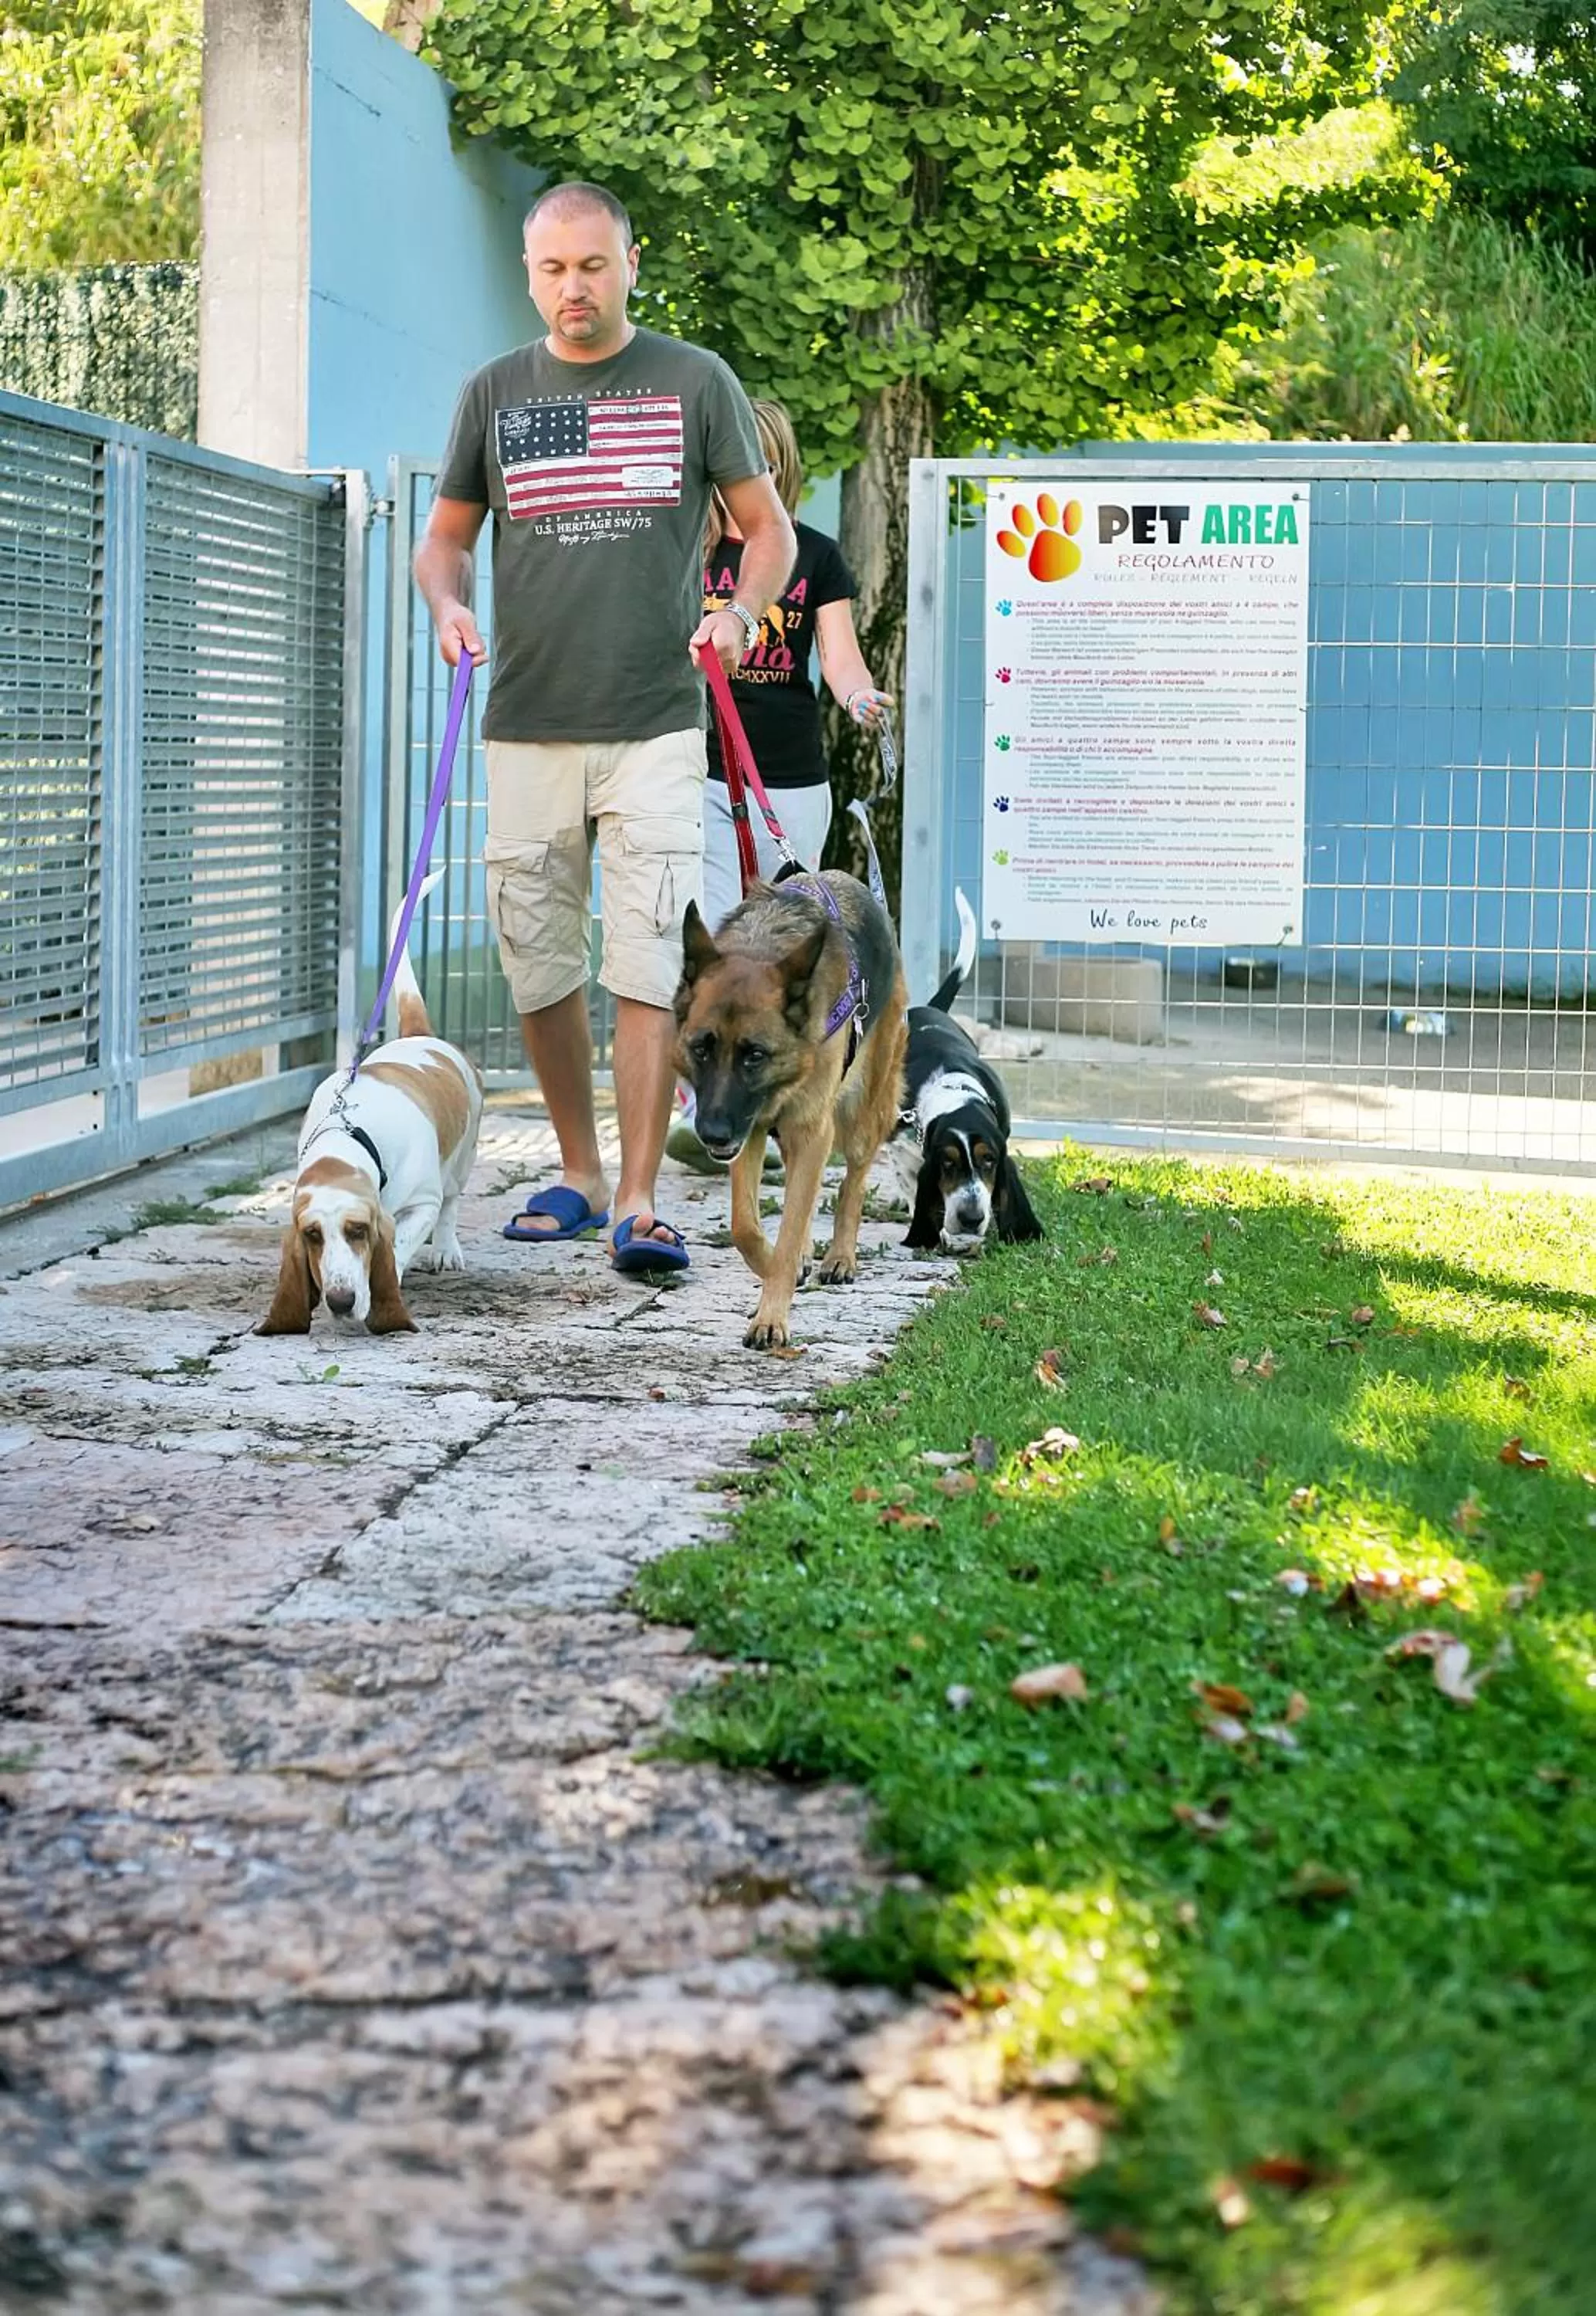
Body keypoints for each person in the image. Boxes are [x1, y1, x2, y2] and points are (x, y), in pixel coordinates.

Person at [413, 183, 795, 1272]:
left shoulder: (695, 382)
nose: (571, 287)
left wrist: (738, 612)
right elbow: (444, 541)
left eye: (591, 265)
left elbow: (763, 531)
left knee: (642, 960)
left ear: (631, 262)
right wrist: (446, 603)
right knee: (538, 964)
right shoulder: (493, 393)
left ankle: (636, 1198)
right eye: (551, 270)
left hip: (655, 722)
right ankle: (578, 1171)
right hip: (527, 718)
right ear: (530, 276)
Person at [668, 398, 892, 1173]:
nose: (732, 478)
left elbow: (838, 657)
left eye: (749, 462)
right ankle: (700, 1107)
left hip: (786, 778)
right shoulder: (683, 552)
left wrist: (858, 696)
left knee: (781, 944)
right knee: (708, 936)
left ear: (775, 468)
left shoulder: (815, 556)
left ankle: (779, 1101)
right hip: (694, 766)